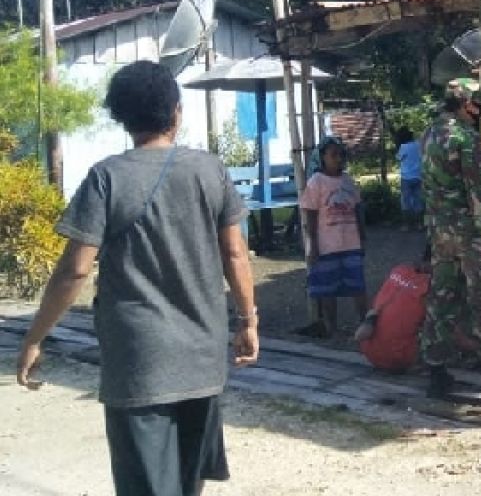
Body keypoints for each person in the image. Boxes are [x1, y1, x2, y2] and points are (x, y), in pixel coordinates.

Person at [15, 60, 258, 496]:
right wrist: (248, 320)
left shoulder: (106, 177)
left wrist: (35, 336)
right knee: (188, 484)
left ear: (121, 118)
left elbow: (75, 269)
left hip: (139, 361)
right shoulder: (210, 170)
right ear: (176, 112)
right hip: (202, 356)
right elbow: (235, 253)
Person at [420, 77, 481, 397]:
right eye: (477, 104)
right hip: (470, 231)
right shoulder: (465, 137)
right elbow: (479, 194)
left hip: (440, 230)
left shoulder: (430, 133)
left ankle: (436, 370)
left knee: (442, 297)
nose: (479, 110)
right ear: (466, 104)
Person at [300, 136, 368, 338]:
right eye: (333, 155)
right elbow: (310, 214)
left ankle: (364, 323)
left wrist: (362, 237)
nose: (338, 159)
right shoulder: (316, 182)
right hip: (327, 244)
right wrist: (313, 245)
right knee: (328, 288)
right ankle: (332, 327)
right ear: (322, 158)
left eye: (341, 155)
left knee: (358, 285)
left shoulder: (347, 180)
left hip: (350, 241)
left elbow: (357, 209)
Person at [394, 127, 424, 231]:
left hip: (406, 177)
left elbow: (398, 158)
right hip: (418, 175)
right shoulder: (418, 144)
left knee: (406, 201)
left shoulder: (403, 147)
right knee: (418, 200)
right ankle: (420, 224)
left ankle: (407, 225)